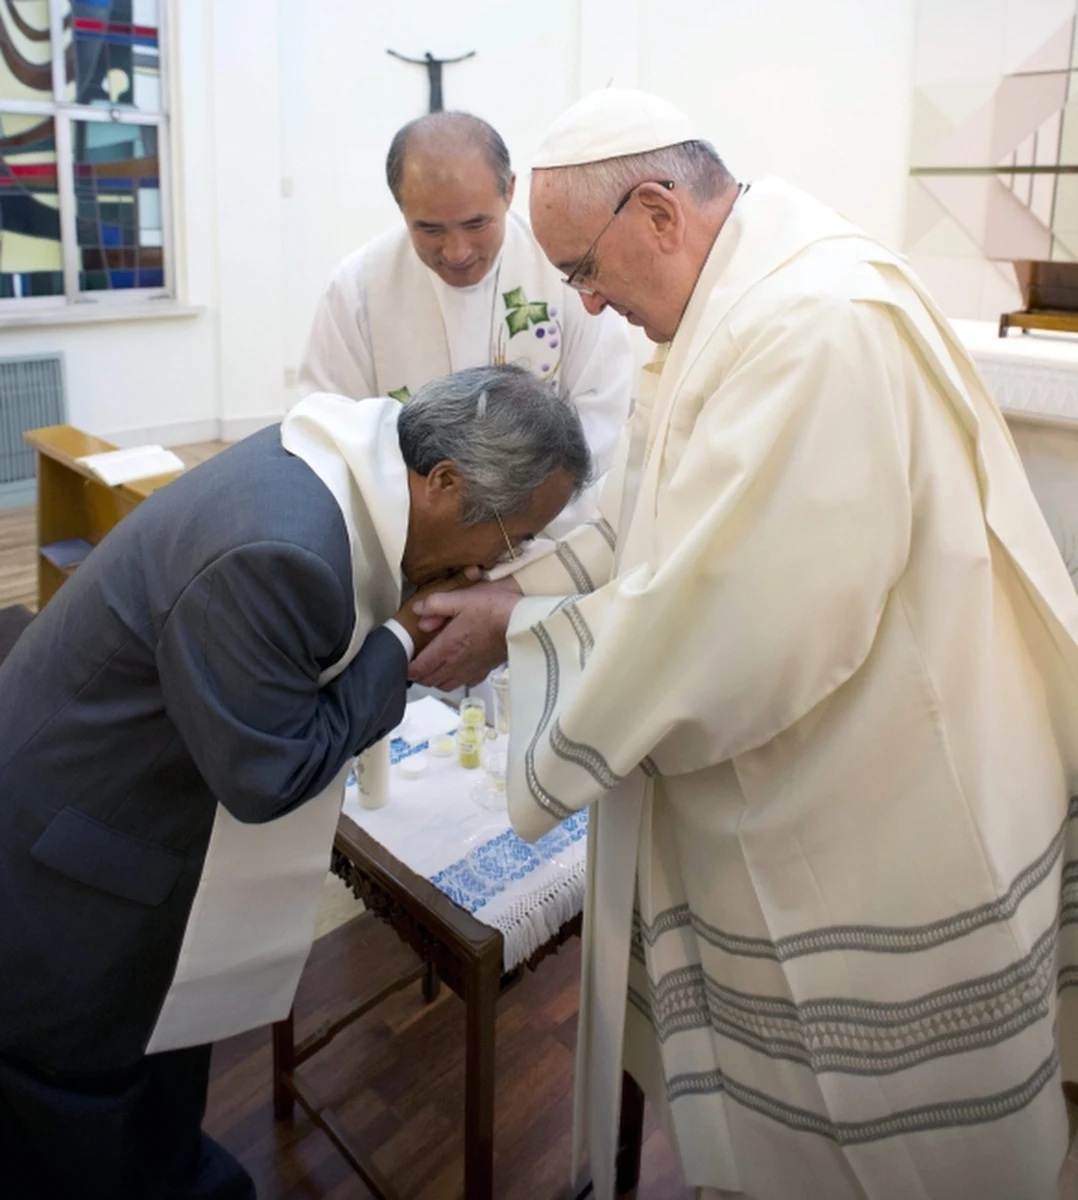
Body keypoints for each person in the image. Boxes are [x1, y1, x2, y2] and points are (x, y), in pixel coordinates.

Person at [408, 90, 1078, 1199]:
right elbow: (654, 514)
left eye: (583, 268)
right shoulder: (732, 294)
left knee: (901, 1146)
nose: (583, 299)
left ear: (659, 213)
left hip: (883, 801)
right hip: (824, 772)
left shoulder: (809, 326)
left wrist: (526, 643)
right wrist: (516, 596)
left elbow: (729, 618)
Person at [0, 364, 589, 1200]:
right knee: (76, 1100)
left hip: (140, 796)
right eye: (512, 539)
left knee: (164, 1051)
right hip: (77, 844)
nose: (505, 564)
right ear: (447, 484)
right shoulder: (279, 549)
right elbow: (271, 775)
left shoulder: (344, 464)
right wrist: (400, 641)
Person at [298, 110, 634, 537]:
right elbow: (327, 431)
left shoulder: (566, 271)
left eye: (476, 224)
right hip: (407, 546)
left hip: (542, 540)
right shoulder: (358, 288)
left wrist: (515, 549)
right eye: (430, 230)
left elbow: (603, 424)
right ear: (401, 207)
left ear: (510, 190)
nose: (457, 252)